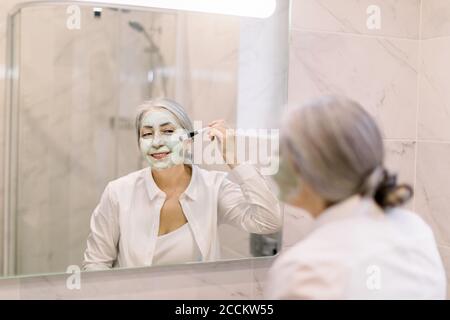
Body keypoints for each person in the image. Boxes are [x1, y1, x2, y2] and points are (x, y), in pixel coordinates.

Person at [266, 95, 447, 299]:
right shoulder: (415, 229)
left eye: (282, 154)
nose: (274, 167)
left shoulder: (306, 270)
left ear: (317, 169)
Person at [83, 98, 282, 270]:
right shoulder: (118, 193)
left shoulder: (213, 187)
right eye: (146, 134)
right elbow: (96, 263)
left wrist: (234, 159)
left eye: (168, 131)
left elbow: (269, 221)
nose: (156, 142)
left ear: (188, 140)